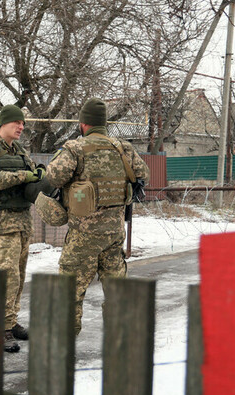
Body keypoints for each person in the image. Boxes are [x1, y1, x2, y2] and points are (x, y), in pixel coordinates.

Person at [43, 97, 150, 334]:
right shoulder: (124, 148)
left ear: (84, 123)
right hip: (113, 234)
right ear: (104, 123)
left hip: (83, 236)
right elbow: (144, 175)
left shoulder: (75, 148)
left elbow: (53, 177)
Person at [0, 104, 43, 353]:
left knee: (20, 276)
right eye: (17, 123)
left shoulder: (19, 150)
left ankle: (10, 323)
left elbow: (31, 173)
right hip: (2, 222)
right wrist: (24, 177)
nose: (21, 127)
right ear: (3, 123)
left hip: (22, 221)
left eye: (23, 123)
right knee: (7, 277)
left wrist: (38, 174)